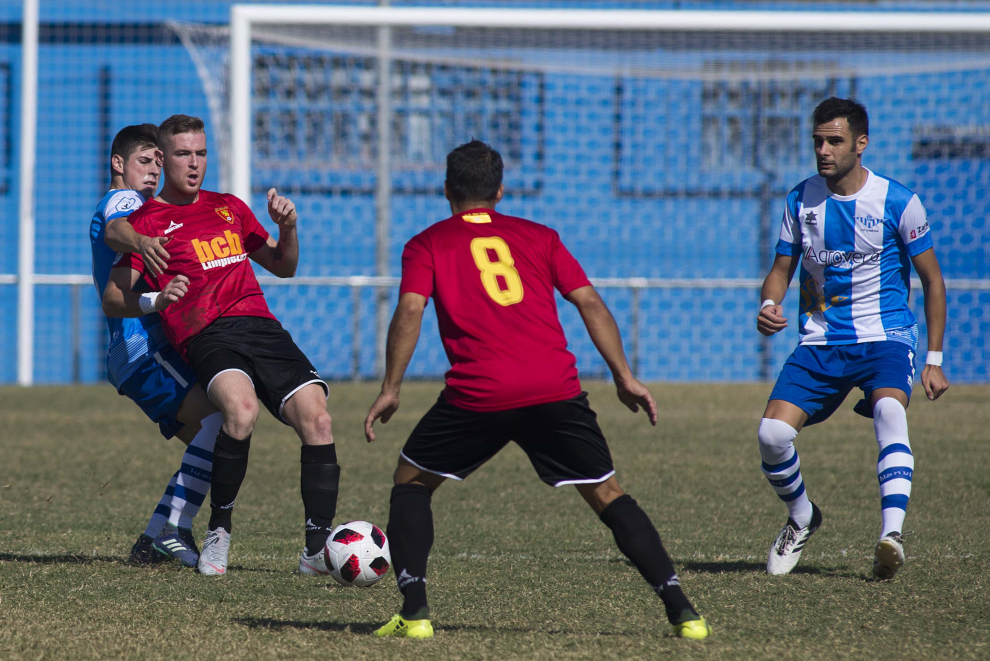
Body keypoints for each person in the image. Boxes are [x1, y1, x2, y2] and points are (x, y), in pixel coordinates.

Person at [364, 140, 712, 640]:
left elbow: (412, 310)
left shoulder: (427, 243)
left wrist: (391, 388)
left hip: (479, 393)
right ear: (500, 190)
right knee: (608, 494)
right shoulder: (540, 236)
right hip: (554, 389)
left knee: (411, 482)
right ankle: (685, 611)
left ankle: (415, 612)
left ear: (446, 191)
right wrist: (624, 376)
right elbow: (589, 302)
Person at [105, 115, 338, 578]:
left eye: (201, 153)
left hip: (262, 327)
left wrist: (287, 228)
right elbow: (114, 299)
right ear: (165, 158)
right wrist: (156, 297)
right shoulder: (145, 222)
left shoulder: (229, 206)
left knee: (319, 418)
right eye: (182, 154)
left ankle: (316, 551)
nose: (194, 164)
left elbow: (281, 265)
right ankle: (219, 531)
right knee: (241, 411)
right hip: (206, 334)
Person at [756, 97, 949, 579]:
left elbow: (933, 281)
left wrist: (934, 357)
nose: (823, 150)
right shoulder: (800, 200)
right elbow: (781, 270)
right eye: (818, 140)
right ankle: (802, 516)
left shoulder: (898, 201)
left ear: (860, 144)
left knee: (888, 409)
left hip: (886, 337)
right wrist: (767, 305)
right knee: (772, 435)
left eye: (834, 141)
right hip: (821, 341)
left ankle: (891, 534)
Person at [92, 123, 222, 568]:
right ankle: (170, 530)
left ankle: (153, 542)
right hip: (143, 349)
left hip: (142, 352)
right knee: (220, 422)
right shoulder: (125, 202)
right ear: (118, 164)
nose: (152, 172)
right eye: (144, 162)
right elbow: (115, 227)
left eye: (157, 164)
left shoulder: (146, 209)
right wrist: (145, 240)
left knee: (216, 445)